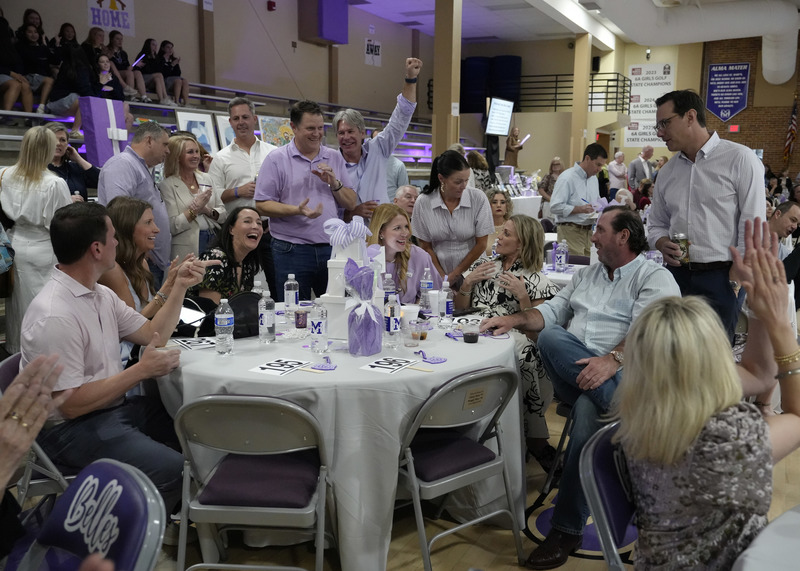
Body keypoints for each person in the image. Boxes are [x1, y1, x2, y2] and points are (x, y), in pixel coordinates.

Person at [480, 206, 680, 569]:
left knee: (590, 411)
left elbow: (649, 334)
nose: (592, 236)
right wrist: (512, 319)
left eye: (600, 230)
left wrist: (612, 360)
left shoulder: (654, 277)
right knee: (551, 336)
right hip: (576, 377)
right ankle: (624, 425)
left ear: (623, 236)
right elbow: (549, 313)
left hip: (633, 380)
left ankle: (566, 529)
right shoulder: (586, 275)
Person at [614, 219, 800, 569]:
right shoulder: (724, 440)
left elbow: (758, 375)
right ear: (713, 359)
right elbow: (797, 416)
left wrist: (756, 309)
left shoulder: (644, 412)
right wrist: (779, 324)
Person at [24, 201, 217, 516]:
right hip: (68, 431)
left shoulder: (99, 294)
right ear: (97, 249)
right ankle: (131, 531)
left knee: (201, 427)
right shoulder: (55, 315)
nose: (117, 241)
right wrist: (140, 371)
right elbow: (69, 405)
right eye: (112, 236)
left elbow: (153, 333)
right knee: (174, 468)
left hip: (108, 409)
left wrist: (180, 286)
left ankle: (186, 519)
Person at [648, 89, 765, 340]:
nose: (659, 133)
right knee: (672, 349)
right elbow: (656, 223)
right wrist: (660, 241)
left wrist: (735, 280)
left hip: (722, 277)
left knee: (713, 355)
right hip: (677, 274)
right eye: (658, 126)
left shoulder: (740, 159)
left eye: (665, 123)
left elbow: (753, 225)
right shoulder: (667, 172)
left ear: (690, 116)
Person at [457, 215, 560, 470]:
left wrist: (523, 297)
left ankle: (535, 440)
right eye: (501, 232)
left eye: (506, 234)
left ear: (522, 243)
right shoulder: (484, 265)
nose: (498, 238)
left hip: (511, 337)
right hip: (474, 330)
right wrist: (467, 282)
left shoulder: (535, 279)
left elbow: (537, 333)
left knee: (524, 353)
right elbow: (460, 309)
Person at [254, 99, 357, 301]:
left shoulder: (334, 157)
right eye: (310, 128)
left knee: (336, 310)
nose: (317, 134)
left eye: (320, 128)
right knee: (294, 312)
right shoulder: (276, 159)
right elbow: (261, 205)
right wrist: (297, 210)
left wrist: (334, 183)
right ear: (293, 127)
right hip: (291, 250)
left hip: (331, 249)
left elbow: (351, 203)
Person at [0, 126, 73, 354]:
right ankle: (42, 355)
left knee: (18, 308)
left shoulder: (5, 174)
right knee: (44, 309)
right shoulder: (54, 183)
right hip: (45, 247)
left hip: (14, 244)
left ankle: (17, 352)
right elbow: (63, 224)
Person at [334, 57, 421, 220]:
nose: (346, 137)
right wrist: (351, 213)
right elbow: (325, 208)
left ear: (362, 133)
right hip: (346, 232)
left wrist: (410, 79)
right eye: (341, 133)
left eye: (351, 131)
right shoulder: (331, 163)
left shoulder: (379, 148)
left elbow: (402, 115)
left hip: (381, 229)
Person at [207, 96, 277, 293]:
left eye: (245, 117)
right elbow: (214, 197)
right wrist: (238, 191)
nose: (241, 122)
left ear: (254, 119)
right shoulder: (220, 158)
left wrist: (277, 220)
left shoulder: (273, 153)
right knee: (238, 288)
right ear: (230, 122)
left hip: (270, 231)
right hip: (236, 234)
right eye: (236, 118)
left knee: (277, 284)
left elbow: (285, 192)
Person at [97, 121, 172, 285]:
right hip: (136, 259)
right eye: (165, 145)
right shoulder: (123, 164)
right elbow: (119, 213)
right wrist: (139, 251)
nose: (168, 151)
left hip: (145, 258)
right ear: (149, 140)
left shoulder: (140, 166)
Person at [412, 150, 494, 284]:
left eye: (466, 180)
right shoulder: (423, 202)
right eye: (458, 182)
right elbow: (425, 246)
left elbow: (481, 244)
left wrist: (455, 274)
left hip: (473, 271)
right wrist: (442, 277)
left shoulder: (478, 198)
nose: (464, 186)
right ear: (441, 178)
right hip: (437, 271)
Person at [160, 135, 225, 259]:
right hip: (188, 247)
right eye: (190, 152)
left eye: (197, 151)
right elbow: (173, 226)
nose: (196, 156)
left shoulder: (206, 178)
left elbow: (223, 214)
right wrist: (194, 210)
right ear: (177, 156)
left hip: (214, 239)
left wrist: (207, 210)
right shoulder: (167, 185)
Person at [366, 203, 441, 303]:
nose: (405, 233)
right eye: (397, 228)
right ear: (381, 232)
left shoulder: (419, 256)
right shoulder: (364, 257)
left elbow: (435, 295)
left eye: (406, 227)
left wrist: (415, 308)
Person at [194, 206, 263, 304]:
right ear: (231, 229)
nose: (255, 226)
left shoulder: (247, 263)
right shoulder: (215, 258)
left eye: (259, 223)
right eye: (247, 221)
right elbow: (209, 309)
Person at [549, 142, 608, 256]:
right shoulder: (567, 177)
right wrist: (579, 209)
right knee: (575, 266)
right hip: (570, 232)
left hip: (589, 232)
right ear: (587, 158)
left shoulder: (593, 179)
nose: (600, 169)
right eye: (598, 164)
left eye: (602, 166)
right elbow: (555, 206)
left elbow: (596, 201)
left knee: (590, 266)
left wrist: (602, 207)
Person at [47, 46, 93, 138]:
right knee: (86, 101)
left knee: (88, 101)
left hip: (58, 103)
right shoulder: (77, 69)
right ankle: (75, 130)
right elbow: (84, 89)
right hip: (58, 103)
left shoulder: (67, 67)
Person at [45, 121, 99, 202]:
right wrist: (66, 200)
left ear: (67, 144)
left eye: (62, 140)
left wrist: (78, 159)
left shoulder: (74, 168)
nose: (58, 143)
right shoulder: (37, 169)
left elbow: (101, 181)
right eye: (53, 139)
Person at [17, 23, 54, 114]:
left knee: (51, 81)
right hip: (27, 76)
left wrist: (49, 45)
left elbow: (55, 60)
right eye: (30, 32)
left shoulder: (42, 48)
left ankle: (41, 107)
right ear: (24, 33)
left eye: (35, 32)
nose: (33, 34)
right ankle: (34, 112)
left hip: (41, 77)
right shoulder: (19, 47)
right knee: (48, 81)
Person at [370, 129, 409, 201]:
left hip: (390, 207)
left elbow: (404, 194)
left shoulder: (399, 166)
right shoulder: (366, 163)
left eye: (382, 140)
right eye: (376, 140)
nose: (379, 143)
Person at [133, 38, 170, 104]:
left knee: (158, 79)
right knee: (159, 75)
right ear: (148, 45)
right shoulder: (143, 55)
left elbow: (159, 70)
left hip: (150, 79)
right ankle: (166, 96)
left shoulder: (156, 57)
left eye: (156, 45)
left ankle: (162, 100)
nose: (155, 47)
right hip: (142, 78)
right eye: (153, 45)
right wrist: (137, 64)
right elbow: (134, 66)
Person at [106, 30, 141, 99]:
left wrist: (134, 65)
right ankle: (129, 93)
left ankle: (143, 96)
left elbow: (127, 66)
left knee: (137, 72)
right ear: (112, 40)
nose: (120, 41)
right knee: (129, 73)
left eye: (121, 39)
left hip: (123, 72)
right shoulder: (107, 51)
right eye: (117, 39)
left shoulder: (123, 53)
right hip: (112, 73)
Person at [157, 40, 189, 106]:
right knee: (178, 81)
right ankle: (176, 101)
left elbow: (178, 73)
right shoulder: (159, 59)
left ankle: (186, 102)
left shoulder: (174, 59)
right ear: (162, 48)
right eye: (168, 47)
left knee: (184, 81)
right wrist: (171, 65)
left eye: (171, 48)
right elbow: (162, 73)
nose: (170, 49)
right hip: (164, 82)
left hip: (174, 80)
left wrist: (175, 65)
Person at [486, 188, 513, 256]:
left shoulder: (513, 227)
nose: (498, 205)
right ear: (488, 205)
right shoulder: (481, 228)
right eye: (494, 202)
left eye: (502, 202)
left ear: (507, 206)